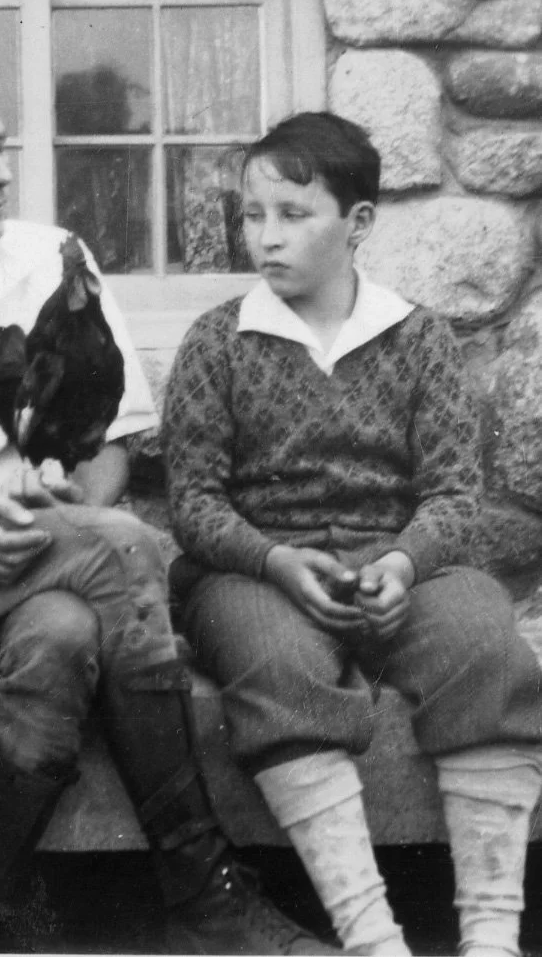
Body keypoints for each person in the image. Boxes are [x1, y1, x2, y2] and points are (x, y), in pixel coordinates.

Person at [0, 60, 337, 954]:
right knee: (123, 550)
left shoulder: (52, 259)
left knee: (63, 637)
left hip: (49, 570)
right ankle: (204, 891)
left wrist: (70, 503)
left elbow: (112, 444)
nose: (1, 173)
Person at [163, 111, 542, 957]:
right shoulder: (218, 343)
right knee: (270, 659)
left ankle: (490, 932)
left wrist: (406, 562)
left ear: (358, 223)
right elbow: (194, 502)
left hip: (399, 564)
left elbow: (452, 493)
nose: (267, 237)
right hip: (263, 570)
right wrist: (273, 561)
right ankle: (373, 937)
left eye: (294, 215)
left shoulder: (418, 339)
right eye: (253, 215)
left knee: (488, 644)